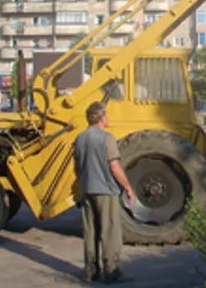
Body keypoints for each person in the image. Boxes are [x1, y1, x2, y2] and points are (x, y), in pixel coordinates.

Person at [74, 101, 135, 284]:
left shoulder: (80, 138)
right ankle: (112, 271)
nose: (107, 118)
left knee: (90, 232)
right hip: (105, 191)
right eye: (106, 115)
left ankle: (90, 272)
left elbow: (77, 167)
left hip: (87, 189)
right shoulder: (106, 138)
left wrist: (83, 183)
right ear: (101, 117)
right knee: (110, 231)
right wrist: (127, 186)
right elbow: (114, 167)